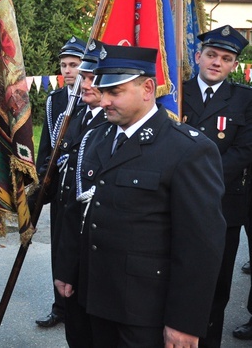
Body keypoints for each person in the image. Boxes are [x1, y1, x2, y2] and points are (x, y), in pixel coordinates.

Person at [54, 43, 226, 347]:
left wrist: (184, 321)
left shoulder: (188, 150)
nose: (103, 100)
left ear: (148, 88)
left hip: (144, 309)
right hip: (93, 296)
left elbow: (200, 246)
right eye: (102, 90)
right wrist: (67, 270)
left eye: (115, 92)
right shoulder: (96, 137)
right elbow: (76, 210)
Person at [179, 25, 252, 348]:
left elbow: (245, 150)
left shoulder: (244, 99)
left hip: (223, 206)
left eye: (226, 58)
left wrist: (202, 181)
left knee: (216, 283)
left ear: (234, 65)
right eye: (211, 55)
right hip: (177, 201)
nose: (217, 62)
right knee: (176, 278)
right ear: (198, 57)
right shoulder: (176, 95)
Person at [53, 40, 108, 348]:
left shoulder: (108, 126)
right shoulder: (77, 115)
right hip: (71, 221)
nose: (83, 83)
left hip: (96, 236)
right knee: (76, 325)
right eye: (82, 75)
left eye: (92, 77)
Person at [36, 35, 86, 328]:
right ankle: (60, 307)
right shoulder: (55, 100)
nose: (68, 71)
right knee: (59, 246)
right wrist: (43, 182)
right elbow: (47, 145)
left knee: (79, 247)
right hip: (59, 187)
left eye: (74, 65)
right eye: (64, 65)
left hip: (81, 186)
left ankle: (79, 304)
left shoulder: (92, 98)